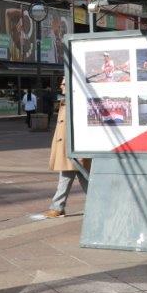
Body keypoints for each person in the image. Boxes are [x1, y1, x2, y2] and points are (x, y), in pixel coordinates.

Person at [42, 78, 88, 219]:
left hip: (75, 148)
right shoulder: (66, 101)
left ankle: (58, 207)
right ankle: (58, 206)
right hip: (69, 148)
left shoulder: (77, 102)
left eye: (64, 83)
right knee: (72, 175)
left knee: (83, 176)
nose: (61, 86)